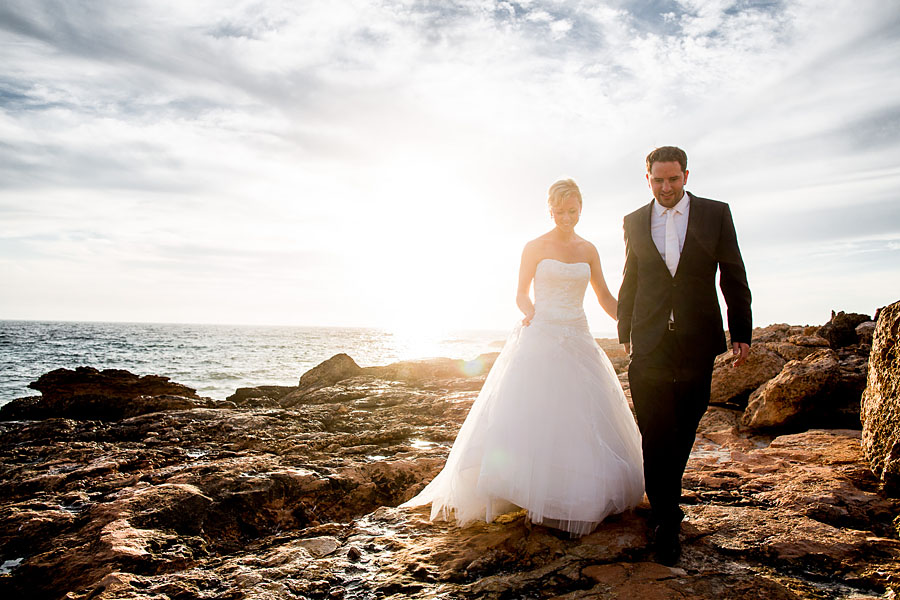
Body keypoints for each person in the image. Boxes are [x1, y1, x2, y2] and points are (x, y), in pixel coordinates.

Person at [401, 179, 644, 536]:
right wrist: (532, 313)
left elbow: (606, 297)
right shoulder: (534, 247)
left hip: (578, 336)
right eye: (559, 211)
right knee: (535, 414)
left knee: (580, 416)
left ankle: (569, 491)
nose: (566, 217)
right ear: (550, 210)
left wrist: (635, 325)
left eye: (572, 210)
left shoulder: (589, 249)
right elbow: (520, 293)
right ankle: (524, 488)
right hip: (542, 335)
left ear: (581, 209)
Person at [617, 146, 752, 565]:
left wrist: (741, 332)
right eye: (658, 180)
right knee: (655, 428)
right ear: (648, 180)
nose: (666, 187)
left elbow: (733, 272)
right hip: (650, 340)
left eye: (673, 179)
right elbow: (631, 277)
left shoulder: (716, 213)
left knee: (687, 421)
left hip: (696, 337)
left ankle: (665, 500)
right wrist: (624, 329)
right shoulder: (634, 220)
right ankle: (666, 517)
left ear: (686, 176)